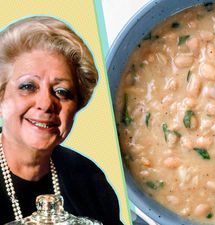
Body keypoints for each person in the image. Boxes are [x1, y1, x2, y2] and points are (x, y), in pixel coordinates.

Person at [0, 16, 123, 225]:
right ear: (2, 96)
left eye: (62, 92)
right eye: (28, 86)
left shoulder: (89, 179)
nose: (46, 103)